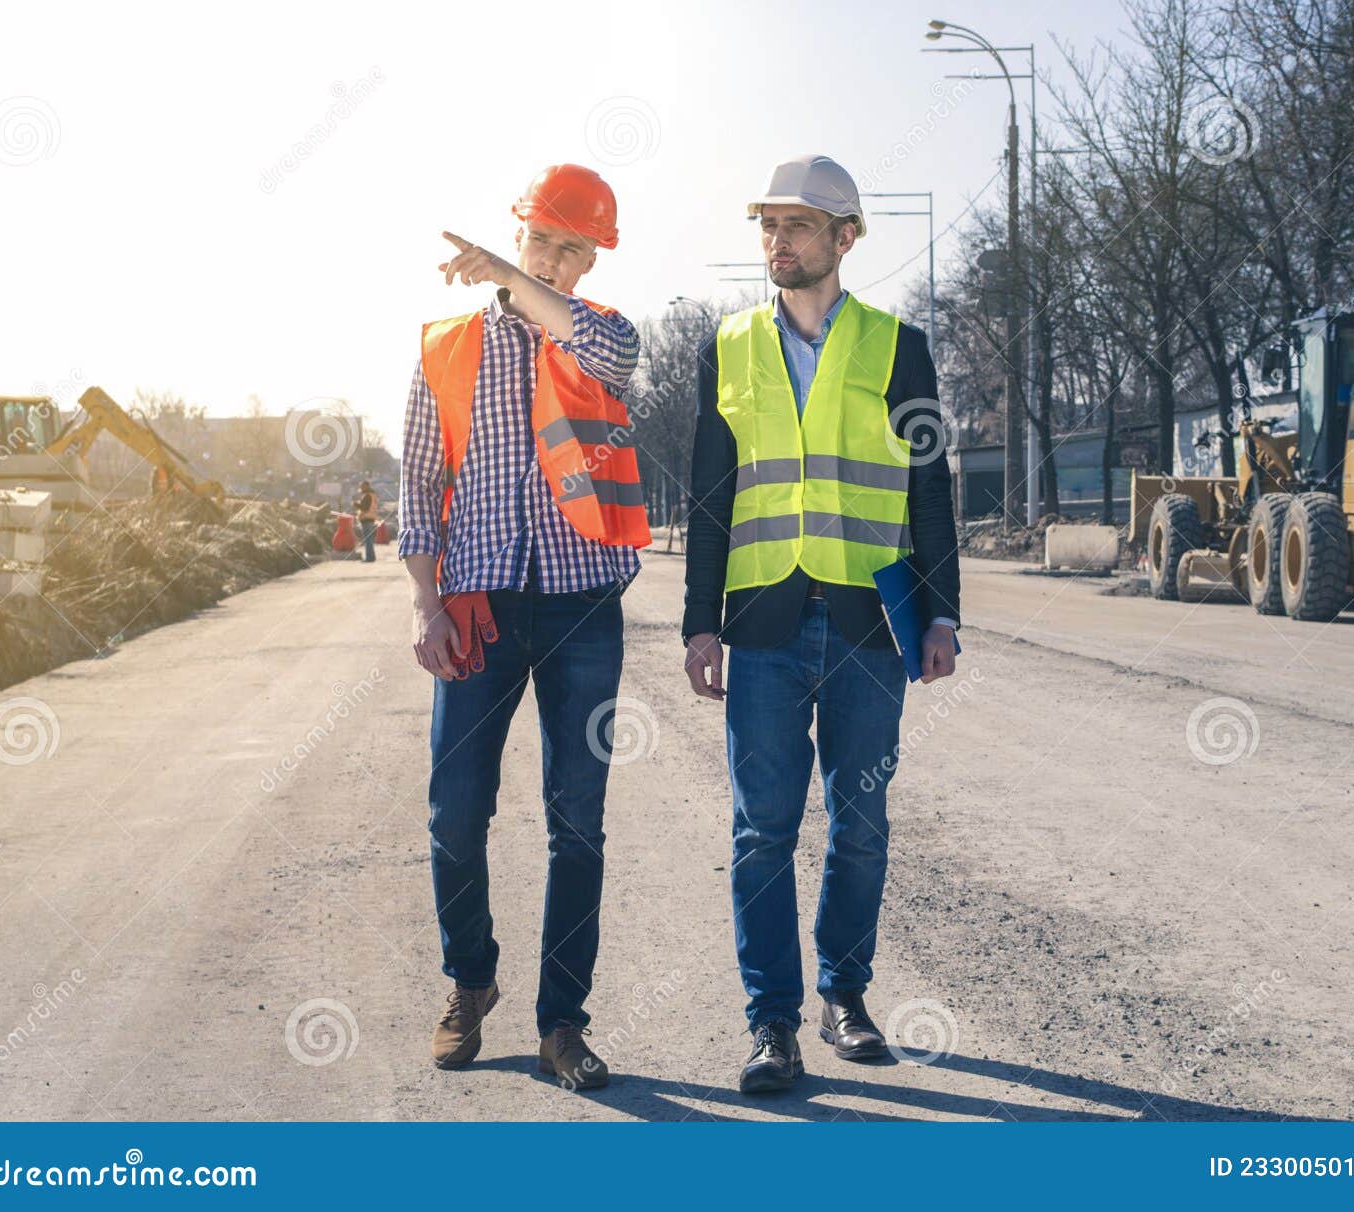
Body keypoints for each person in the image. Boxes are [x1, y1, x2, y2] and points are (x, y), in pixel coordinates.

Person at [682, 155, 961, 1094]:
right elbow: (712, 493)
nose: (779, 241)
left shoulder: (898, 345)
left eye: (799, 226)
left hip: (868, 623)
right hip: (760, 623)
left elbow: (928, 487)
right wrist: (698, 623)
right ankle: (772, 1024)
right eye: (769, 224)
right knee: (761, 831)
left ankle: (845, 994)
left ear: (846, 239)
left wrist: (942, 613)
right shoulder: (727, 346)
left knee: (862, 821)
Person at [399, 164, 649, 1089]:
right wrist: (426, 602)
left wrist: (511, 274)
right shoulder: (448, 347)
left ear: (588, 263)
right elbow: (420, 486)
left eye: (567, 249)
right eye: (539, 239)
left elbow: (599, 348)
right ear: (524, 234)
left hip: (585, 607)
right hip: (476, 607)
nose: (550, 257)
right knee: (455, 814)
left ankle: (562, 1023)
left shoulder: (603, 338)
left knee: (576, 823)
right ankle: (471, 981)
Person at [353, 481, 378, 562]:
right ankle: (371, 557)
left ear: (366, 486)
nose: (360, 488)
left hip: (366, 519)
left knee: (368, 540)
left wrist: (356, 504)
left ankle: (369, 558)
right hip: (370, 518)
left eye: (362, 486)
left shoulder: (367, 495)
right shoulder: (371, 494)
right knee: (369, 539)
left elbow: (365, 508)